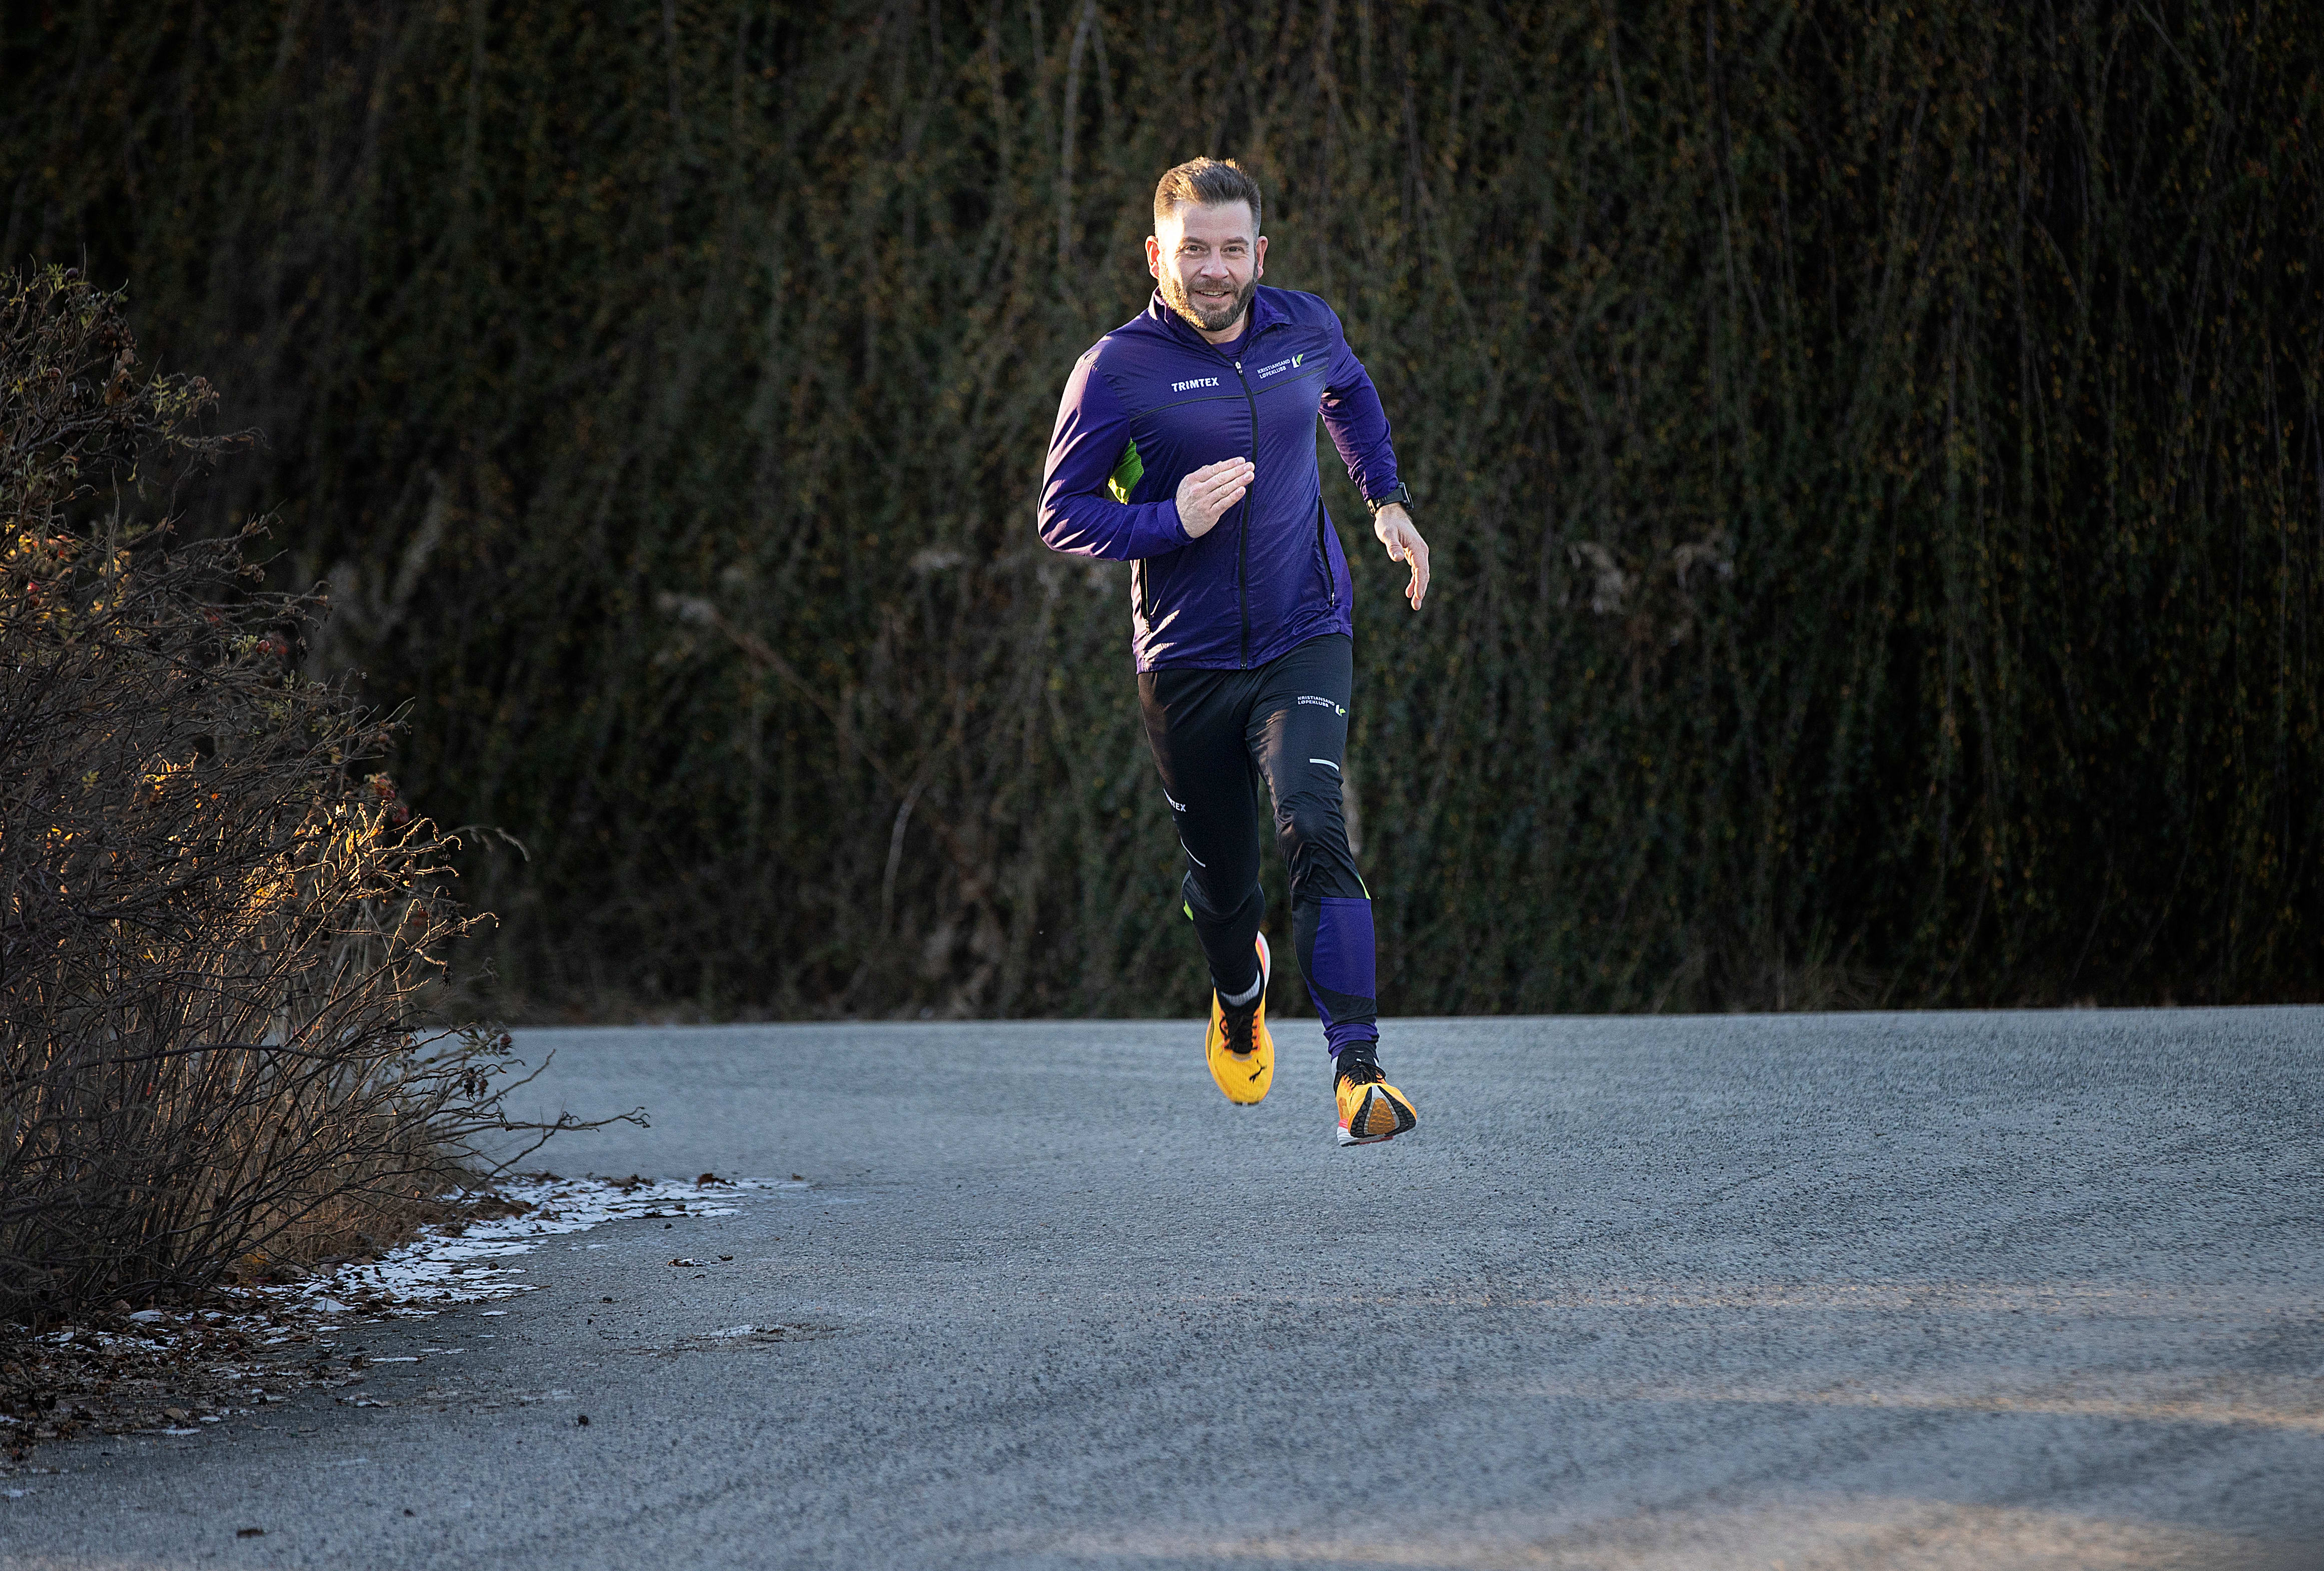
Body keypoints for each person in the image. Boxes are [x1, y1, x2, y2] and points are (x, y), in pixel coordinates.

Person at [1037, 157, 1430, 1147]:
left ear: (1259, 252)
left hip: (1306, 629)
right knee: (1222, 886)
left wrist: (1384, 499)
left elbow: (1351, 395)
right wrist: (1168, 519)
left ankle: (1357, 1072)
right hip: (1186, 659)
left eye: (1230, 250)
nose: (1212, 270)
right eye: (1192, 251)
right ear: (1155, 255)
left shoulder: (1306, 328)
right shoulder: (1114, 370)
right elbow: (1062, 513)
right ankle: (1238, 989)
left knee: (1313, 819)